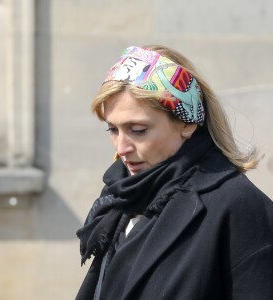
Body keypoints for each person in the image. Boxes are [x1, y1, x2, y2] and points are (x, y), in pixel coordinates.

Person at [76, 45, 273, 300]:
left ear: (187, 123)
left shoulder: (238, 206)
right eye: (112, 130)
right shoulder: (121, 200)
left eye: (137, 130)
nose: (121, 148)